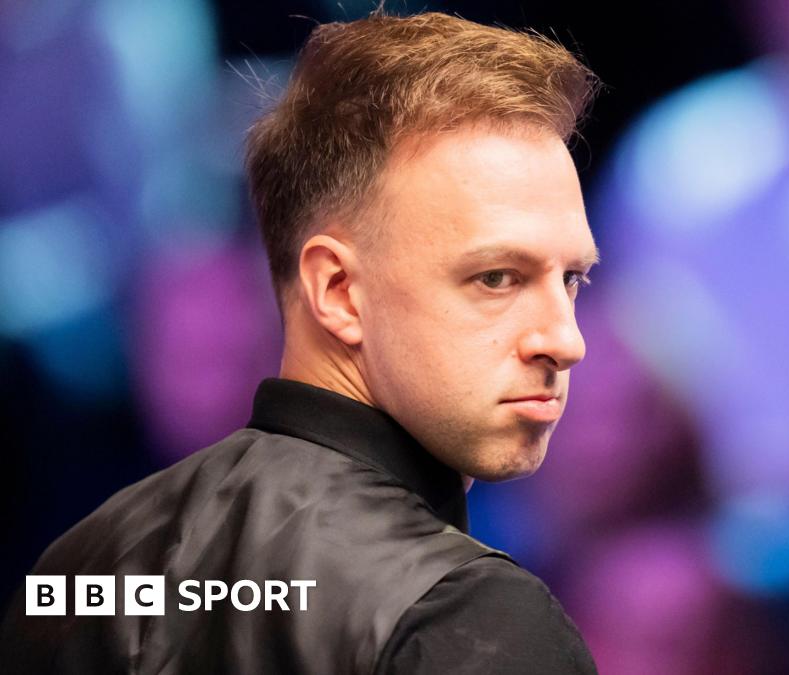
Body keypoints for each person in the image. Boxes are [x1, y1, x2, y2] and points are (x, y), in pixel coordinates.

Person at [0, 11, 600, 674]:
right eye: (496, 277)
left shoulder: (73, 574)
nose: (564, 338)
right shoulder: (471, 615)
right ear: (338, 290)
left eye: (573, 278)